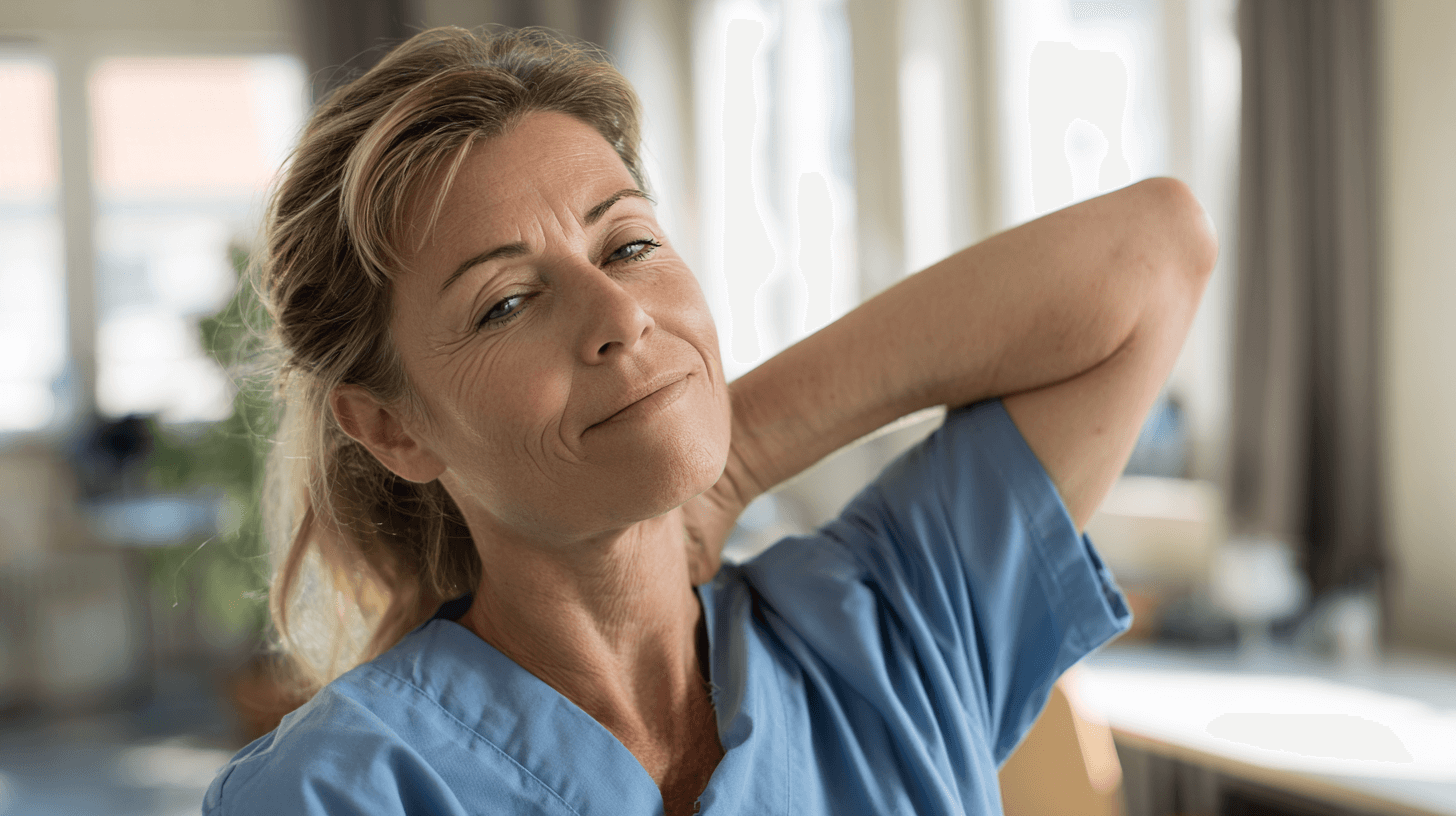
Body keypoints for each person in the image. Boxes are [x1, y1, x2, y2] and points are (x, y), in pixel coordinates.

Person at [204, 25, 1215, 816]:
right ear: (392, 430)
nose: (618, 316)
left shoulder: (895, 628)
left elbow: (1153, 249)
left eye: (628, 245)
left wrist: (743, 456)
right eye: (507, 302)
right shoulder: (334, 794)